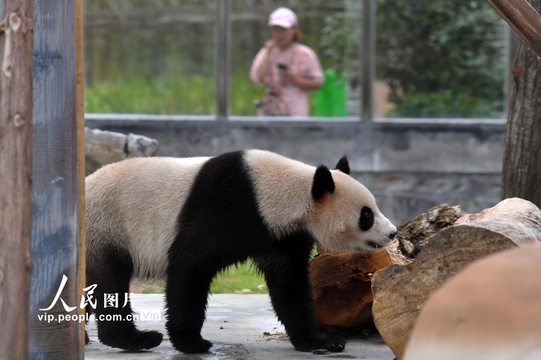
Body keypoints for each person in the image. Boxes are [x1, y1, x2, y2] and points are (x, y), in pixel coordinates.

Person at [250, 7, 324, 117]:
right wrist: (268, 53)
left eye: (283, 30)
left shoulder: (305, 54)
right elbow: (257, 78)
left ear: (294, 29)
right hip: (271, 109)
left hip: (295, 111)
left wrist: (296, 80)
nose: (279, 34)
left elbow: (318, 82)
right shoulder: (266, 52)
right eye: (275, 30)